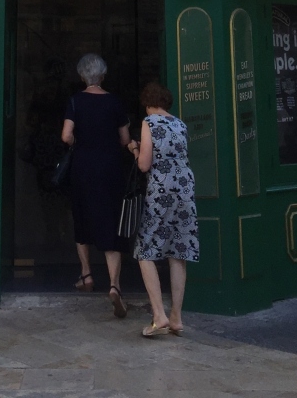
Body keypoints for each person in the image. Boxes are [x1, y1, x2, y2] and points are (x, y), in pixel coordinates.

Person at [61, 53, 131, 318]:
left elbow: (66, 135)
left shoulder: (75, 101)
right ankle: (114, 285)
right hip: (110, 168)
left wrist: (78, 143)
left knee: (82, 217)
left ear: (82, 76)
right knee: (111, 220)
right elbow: (124, 139)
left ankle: (86, 275)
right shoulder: (114, 102)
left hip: (83, 167)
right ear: (103, 75)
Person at [129, 81, 199, 338]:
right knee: (178, 251)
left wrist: (134, 149)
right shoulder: (180, 124)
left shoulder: (150, 123)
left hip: (162, 189)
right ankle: (176, 317)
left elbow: (144, 164)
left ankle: (159, 315)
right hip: (185, 188)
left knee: (145, 249)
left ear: (148, 103)